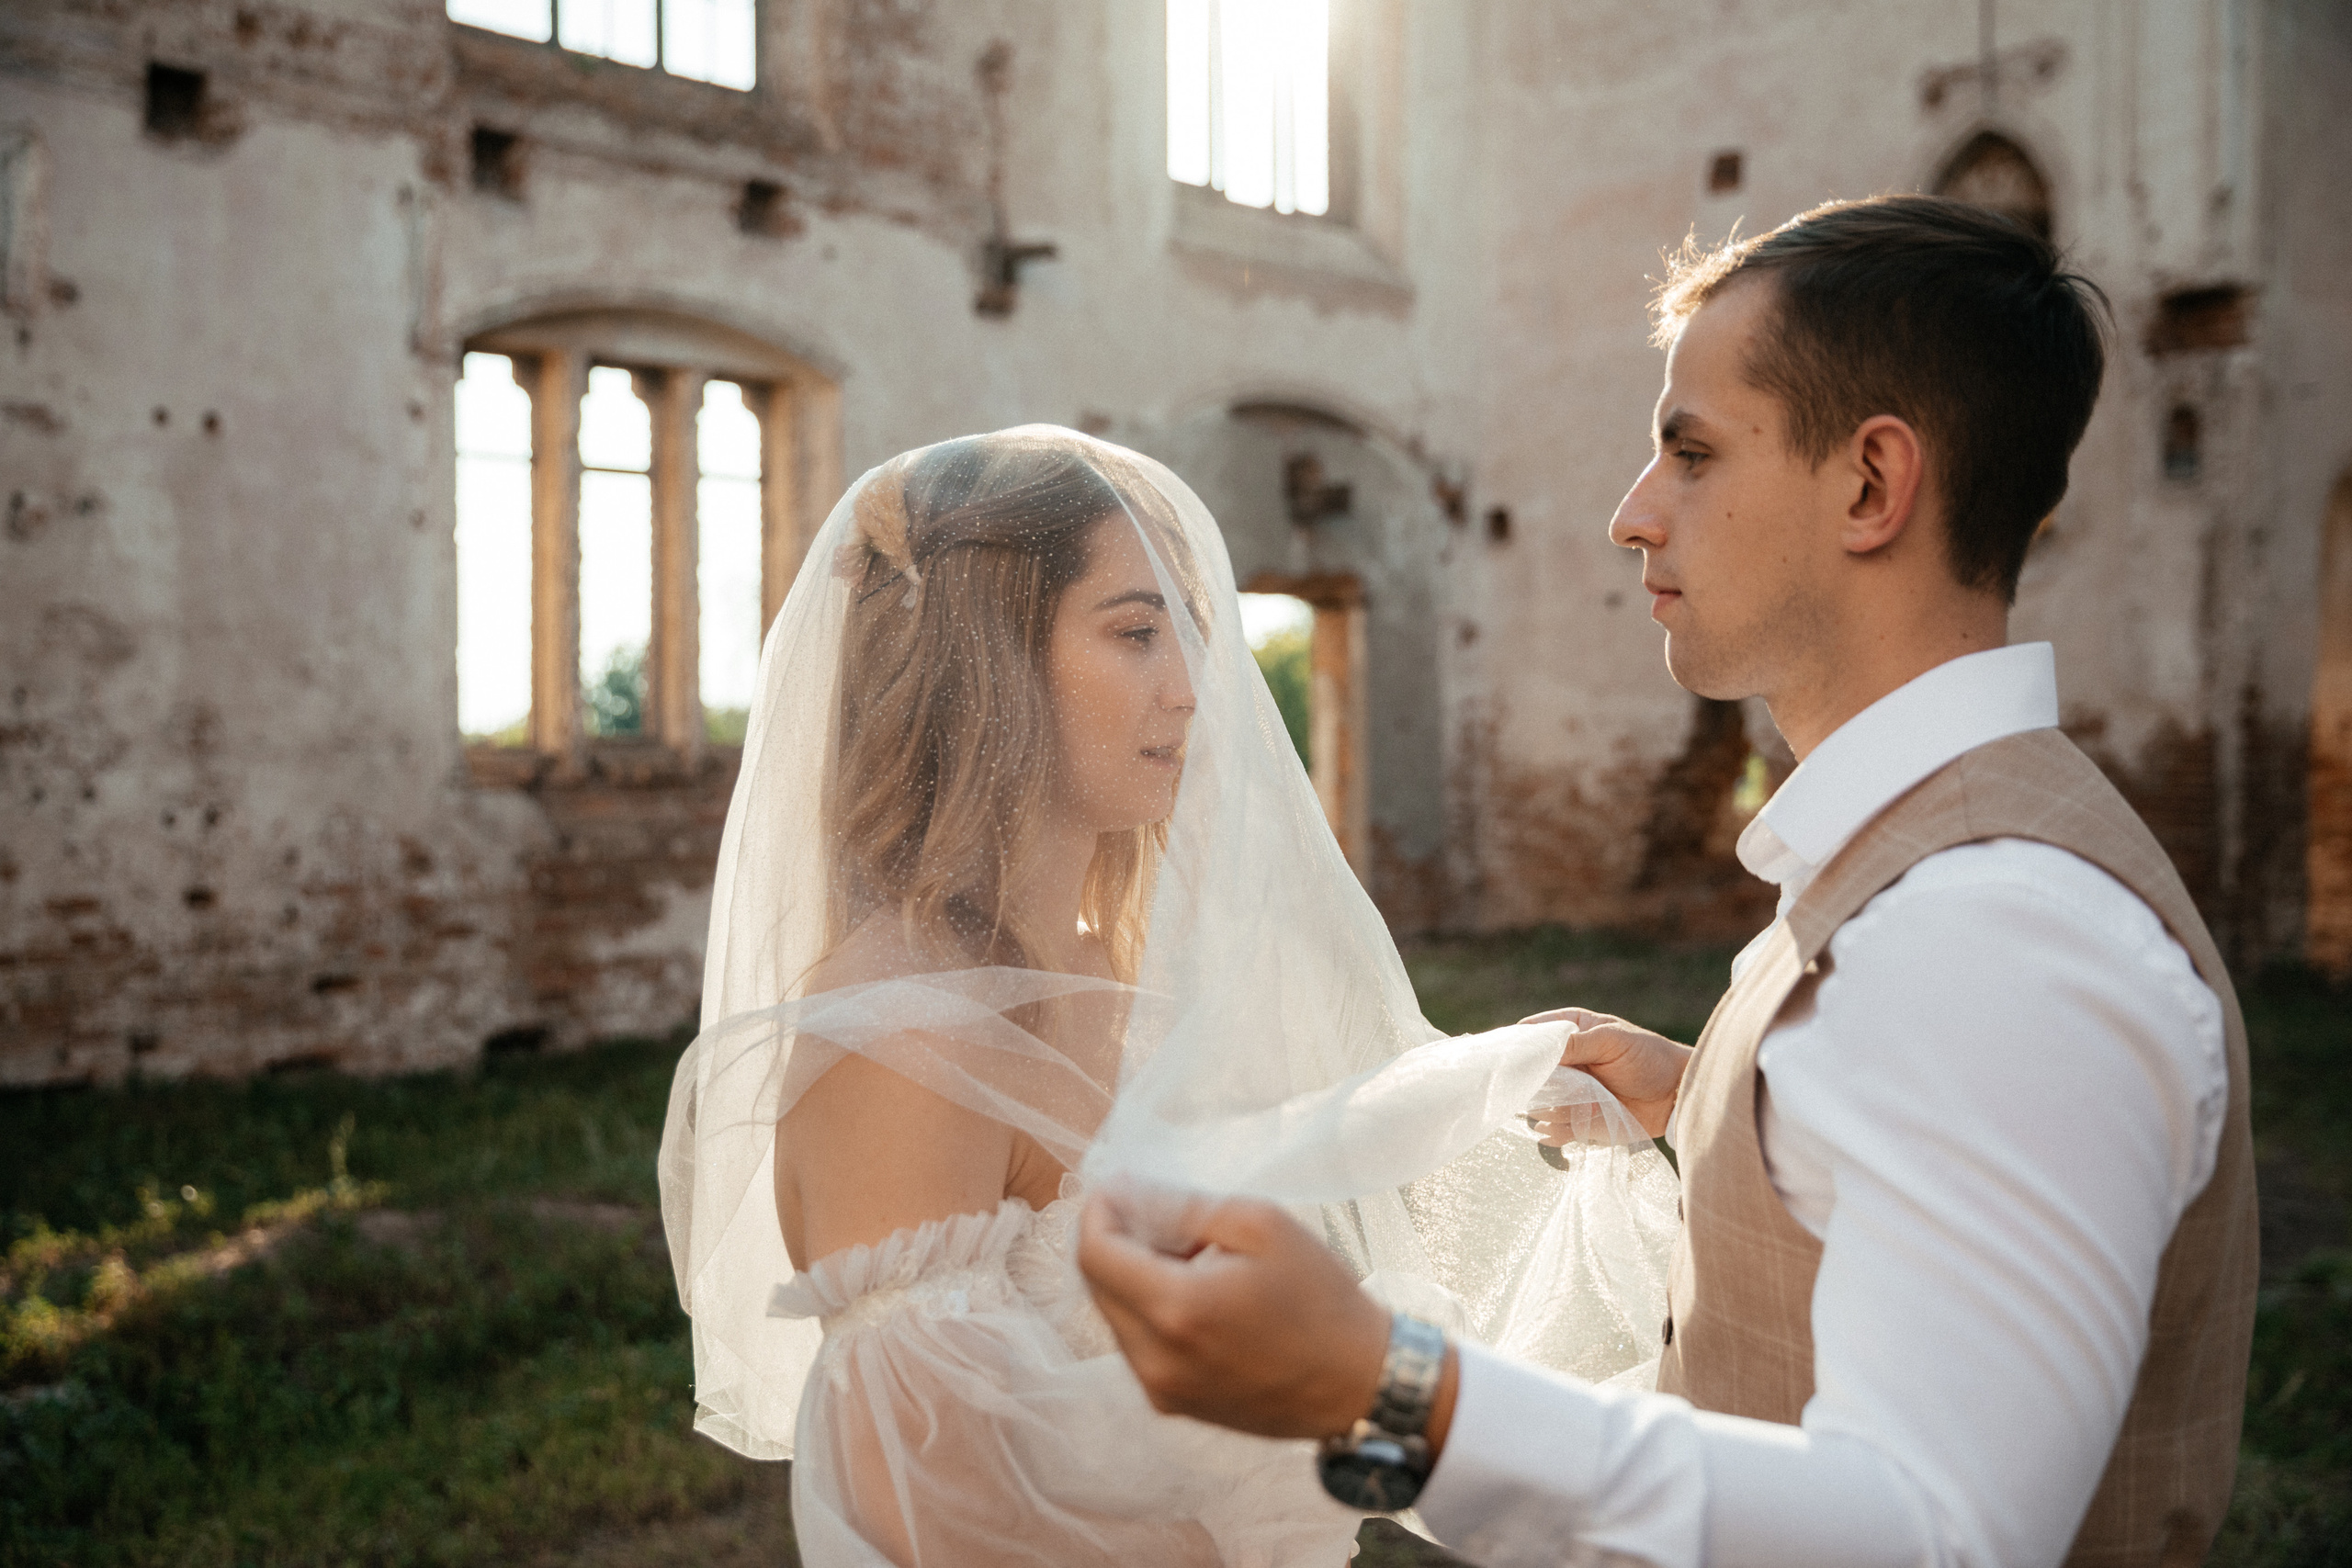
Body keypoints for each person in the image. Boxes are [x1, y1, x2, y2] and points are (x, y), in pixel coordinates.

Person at [1080, 196, 2258, 1568]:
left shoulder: (1993, 928)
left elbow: (1933, 1535)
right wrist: (1719, 1098)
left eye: (1690, 453)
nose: (1631, 517)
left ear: (1874, 484)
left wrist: (1388, 1390)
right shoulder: (1932, 893)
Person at [659, 427, 1681, 1566]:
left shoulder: (1123, 970)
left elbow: (1262, 1180)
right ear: (982, 662)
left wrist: (1496, 1080)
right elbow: (935, 1508)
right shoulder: (907, 1037)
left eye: (1188, 631)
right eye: (1137, 632)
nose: (1192, 688)